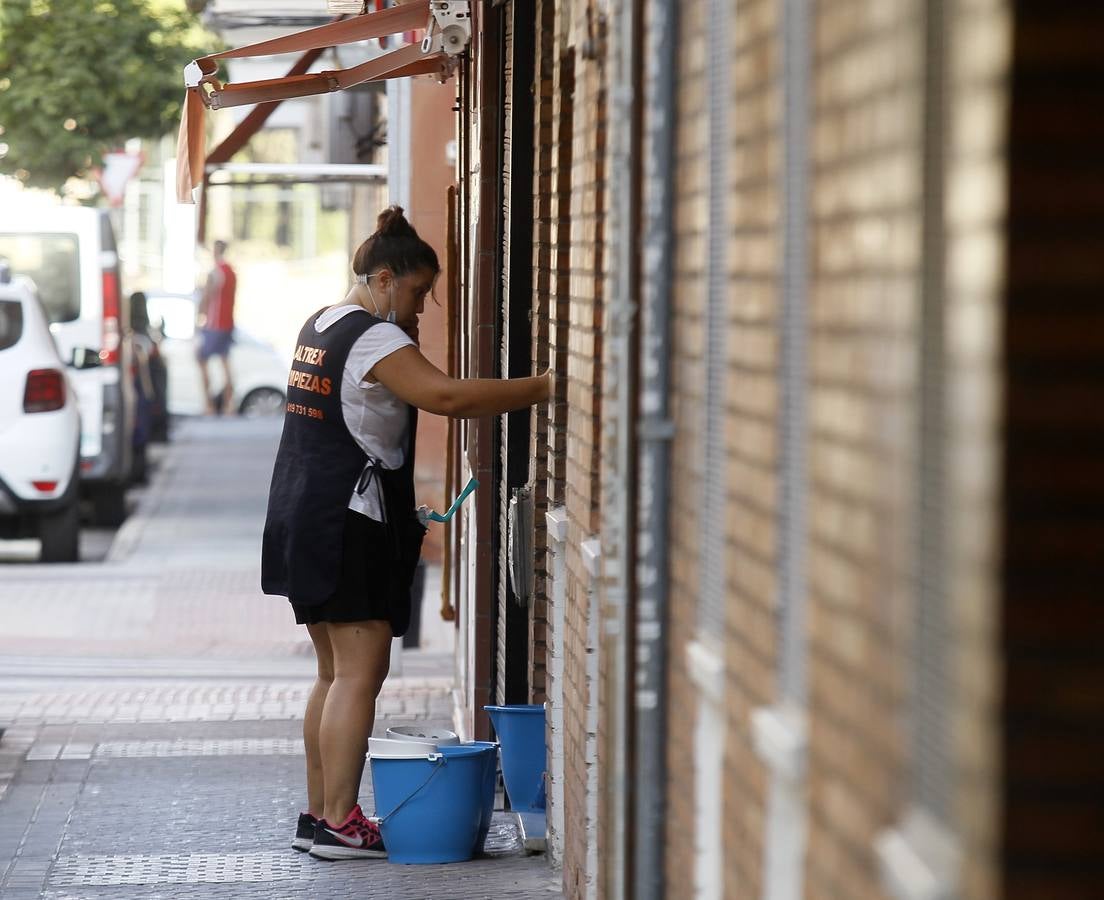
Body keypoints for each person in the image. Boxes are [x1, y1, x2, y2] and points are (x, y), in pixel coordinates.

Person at [260, 206, 552, 861]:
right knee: (360, 673)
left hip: (303, 515)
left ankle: (321, 815)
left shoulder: (321, 325)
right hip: (347, 524)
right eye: (418, 293)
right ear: (385, 279)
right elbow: (444, 397)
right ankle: (340, 819)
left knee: (333, 673)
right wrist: (543, 386)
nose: (421, 311)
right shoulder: (373, 338)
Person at [196, 239, 236, 415]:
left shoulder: (215, 272)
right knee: (225, 363)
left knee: (201, 359)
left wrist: (199, 316)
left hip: (215, 324)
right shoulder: (232, 272)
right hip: (228, 323)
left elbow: (206, 296)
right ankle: (229, 404)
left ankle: (209, 404)